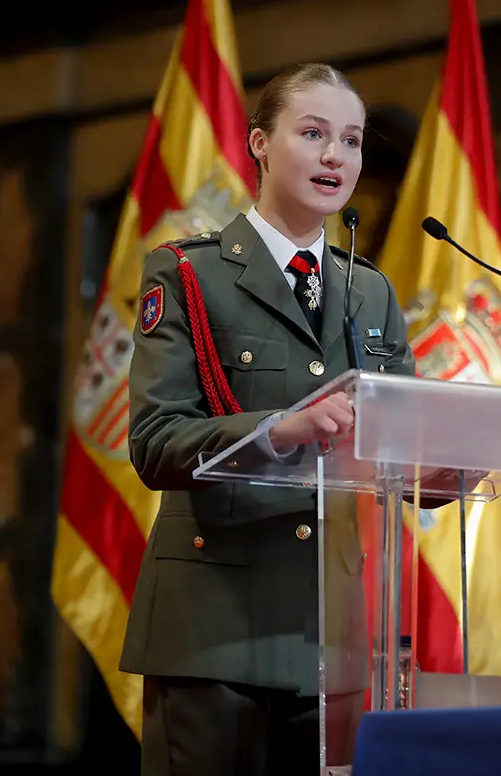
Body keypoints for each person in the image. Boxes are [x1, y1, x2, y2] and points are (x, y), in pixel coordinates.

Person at [120, 62, 416, 776]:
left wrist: (444, 463)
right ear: (258, 143)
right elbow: (155, 442)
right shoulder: (190, 273)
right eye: (312, 133)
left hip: (333, 638)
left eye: (351, 139)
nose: (335, 156)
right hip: (213, 632)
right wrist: (278, 428)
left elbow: (407, 438)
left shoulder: (369, 292)